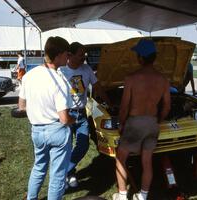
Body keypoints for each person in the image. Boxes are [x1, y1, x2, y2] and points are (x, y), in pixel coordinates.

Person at [113, 39, 171, 200]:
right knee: (147, 161)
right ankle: (143, 196)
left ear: (140, 57)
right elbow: (167, 106)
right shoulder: (163, 79)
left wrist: (121, 122)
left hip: (135, 122)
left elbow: (124, 107)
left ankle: (123, 195)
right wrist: (158, 120)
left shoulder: (131, 78)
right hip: (152, 123)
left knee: (121, 157)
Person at [18, 36, 75, 200]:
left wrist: (38, 110)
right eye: (67, 54)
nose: (68, 58)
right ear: (58, 55)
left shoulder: (29, 75)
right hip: (57, 130)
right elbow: (64, 118)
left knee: (39, 167)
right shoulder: (59, 81)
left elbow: (21, 105)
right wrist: (73, 120)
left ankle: (31, 198)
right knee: (57, 175)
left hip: (37, 130)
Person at [58, 42, 111, 188]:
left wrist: (109, 102)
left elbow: (98, 87)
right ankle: (69, 174)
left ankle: (63, 173)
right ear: (70, 55)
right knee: (66, 147)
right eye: (81, 54)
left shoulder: (86, 68)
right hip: (66, 114)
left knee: (83, 145)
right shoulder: (60, 71)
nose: (84, 57)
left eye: (85, 54)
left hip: (81, 114)